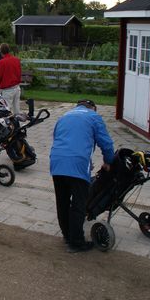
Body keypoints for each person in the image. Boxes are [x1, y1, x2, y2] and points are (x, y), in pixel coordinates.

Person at [49, 99, 115, 253]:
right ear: (93, 107)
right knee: (78, 204)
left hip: (57, 162)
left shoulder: (64, 116)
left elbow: (59, 139)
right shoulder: (93, 116)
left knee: (62, 202)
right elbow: (106, 143)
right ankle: (77, 243)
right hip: (78, 164)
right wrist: (108, 161)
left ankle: (67, 236)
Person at [0, 43, 21, 115]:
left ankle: (8, 122)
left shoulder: (2, 62)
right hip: (17, 87)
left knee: (6, 110)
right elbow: (18, 73)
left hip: (7, 89)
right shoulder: (16, 59)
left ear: (1, 51)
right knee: (16, 109)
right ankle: (17, 121)